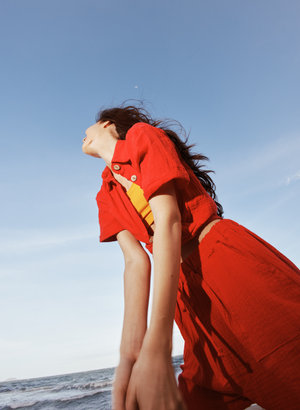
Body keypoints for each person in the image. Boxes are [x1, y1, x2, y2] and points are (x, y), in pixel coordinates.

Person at [82, 103, 300, 410]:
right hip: (186, 301)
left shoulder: (142, 137)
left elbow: (168, 219)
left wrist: (158, 347)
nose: (83, 136)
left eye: (87, 129)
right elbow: (135, 263)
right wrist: (130, 358)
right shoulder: (105, 193)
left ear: (107, 124)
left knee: (288, 365)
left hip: (225, 264)